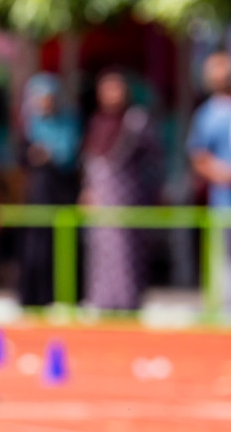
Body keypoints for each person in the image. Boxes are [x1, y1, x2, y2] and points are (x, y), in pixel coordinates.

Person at [82, 69, 159, 311]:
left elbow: (154, 158)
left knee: (126, 251)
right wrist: (88, 190)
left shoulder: (135, 120)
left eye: (116, 88)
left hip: (127, 196)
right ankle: (102, 301)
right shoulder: (97, 121)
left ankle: (127, 303)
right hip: (102, 196)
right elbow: (90, 158)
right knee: (99, 251)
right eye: (106, 89)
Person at [15, 73, 80, 307]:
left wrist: (49, 155)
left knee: (62, 247)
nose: (44, 103)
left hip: (61, 195)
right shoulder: (27, 127)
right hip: (35, 198)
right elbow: (22, 158)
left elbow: (70, 157)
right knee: (34, 249)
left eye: (48, 98)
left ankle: (62, 296)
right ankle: (33, 298)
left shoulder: (69, 124)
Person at [189, 53, 231, 309]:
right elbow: (198, 156)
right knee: (222, 259)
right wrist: (221, 173)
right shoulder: (206, 114)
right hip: (222, 203)